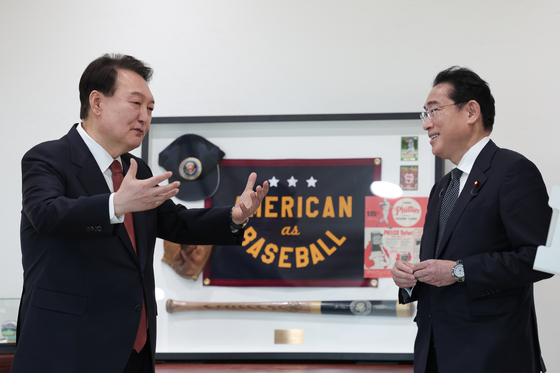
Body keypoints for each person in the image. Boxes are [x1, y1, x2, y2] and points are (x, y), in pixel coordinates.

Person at [13, 54, 269, 373]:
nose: (145, 117)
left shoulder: (136, 168)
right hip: (66, 350)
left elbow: (174, 222)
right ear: (97, 102)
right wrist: (115, 205)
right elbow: (46, 214)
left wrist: (235, 217)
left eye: (150, 109)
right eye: (136, 104)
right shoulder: (48, 158)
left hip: (134, 350)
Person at [391, 66, 553, 373]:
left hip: (490, 358)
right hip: (435, 357)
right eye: (424, 115)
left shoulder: (512, 171)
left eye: (433, 111)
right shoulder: (442, 188)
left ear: (471, 112)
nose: (427, 125)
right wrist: (411, 279)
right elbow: (440, 270)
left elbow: (542, 259)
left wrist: (460, 270)